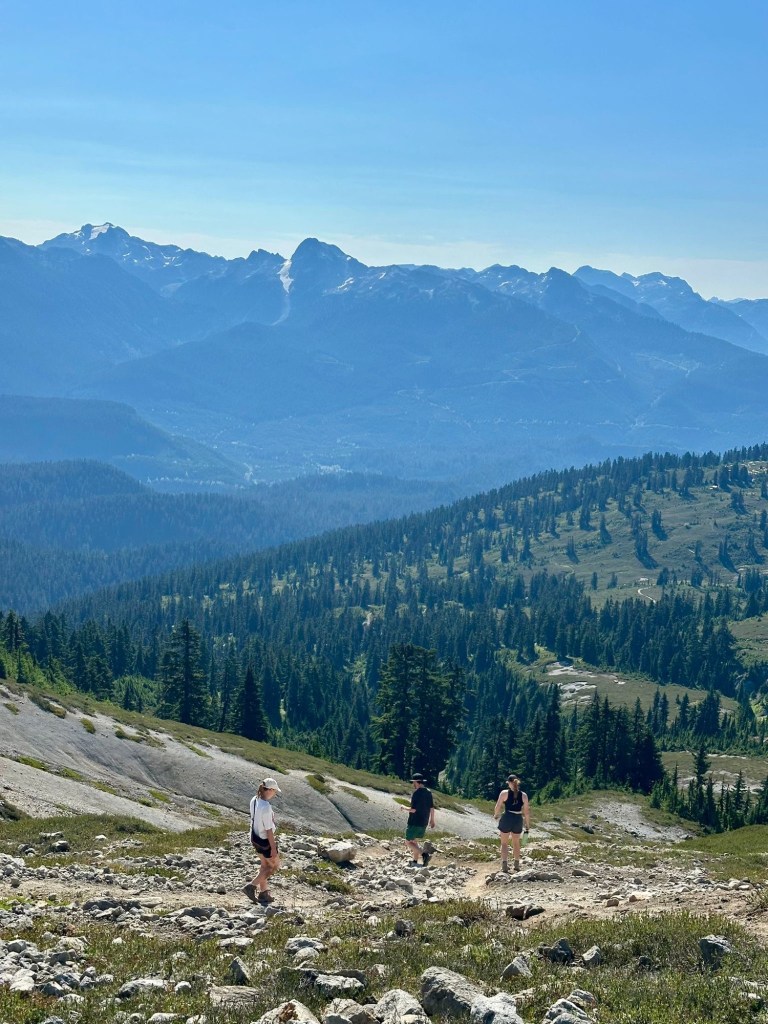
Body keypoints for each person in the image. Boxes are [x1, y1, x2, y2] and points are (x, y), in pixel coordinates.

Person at [243, 777, 281, 906]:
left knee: (264, 866)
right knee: (273, 866)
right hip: (265, 841)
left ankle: (264, 893)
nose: (274, 794)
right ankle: (251, 886)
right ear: (269, 790)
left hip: (254, 837)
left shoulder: (254, 800)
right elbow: (269, 830)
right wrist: (273, 848)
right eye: (274, 791)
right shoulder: (266, 807)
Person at [493, 773, 530, 872]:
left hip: (507, 817)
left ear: (509, 783)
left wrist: (496, 815)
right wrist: (527, 825)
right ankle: (516, 864)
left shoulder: (504, 793)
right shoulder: (524, 795)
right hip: (518, 819)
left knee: (504, 843)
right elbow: (526, 812)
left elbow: (498, 806)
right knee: (516, 843)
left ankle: (504, 865)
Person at [404, 772, 436, 866]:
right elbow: (431, 807)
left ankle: (424, 854)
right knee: (414, 841)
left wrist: (403, 808)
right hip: (424, 821)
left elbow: (413, 810)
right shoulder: (428, 792)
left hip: (414, 821)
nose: (413, 784)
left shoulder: (416, 793)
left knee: (408, 842)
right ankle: (415, 861)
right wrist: (432, 820)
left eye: (413, 782)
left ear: (417, 782)